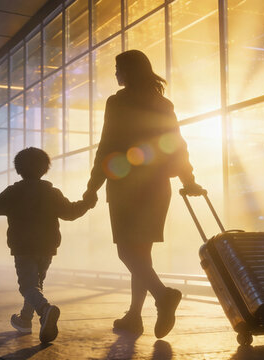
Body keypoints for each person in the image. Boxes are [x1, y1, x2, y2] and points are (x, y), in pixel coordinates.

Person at [83, 49, 204, 338]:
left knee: (127, 251)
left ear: (129, 71)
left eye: (118, 68)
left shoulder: (118, 101)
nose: (115, 74)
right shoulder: (163, 103)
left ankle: (163, 296)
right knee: (142, 254)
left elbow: (107, 145)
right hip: (158, 187)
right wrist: (189, 180)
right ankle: (134, 316)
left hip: (126, 186)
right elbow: (176, 143)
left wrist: (92, 187)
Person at [0, 147, 95, 343]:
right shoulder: (52, 193)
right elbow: (70, 212)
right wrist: (86, 203)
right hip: (47, 248)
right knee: (36, 285)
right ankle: (25, 320)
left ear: (18, 169)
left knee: (27, 286)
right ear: (45, 169)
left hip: (23, 247)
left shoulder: (15, 192)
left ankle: (45, 310)